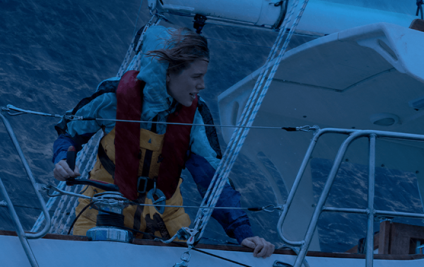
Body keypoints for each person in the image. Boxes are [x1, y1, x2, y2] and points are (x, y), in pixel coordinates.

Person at [52, 25, 274, 258]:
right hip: (99, 215)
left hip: (165, 225)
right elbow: (69, 134)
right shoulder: (112, 97)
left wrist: (243, 232)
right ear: (167, 72)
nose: (202, 85)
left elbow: (212, 179)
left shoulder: (195, 118)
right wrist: (61, 161)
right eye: (196, 76)